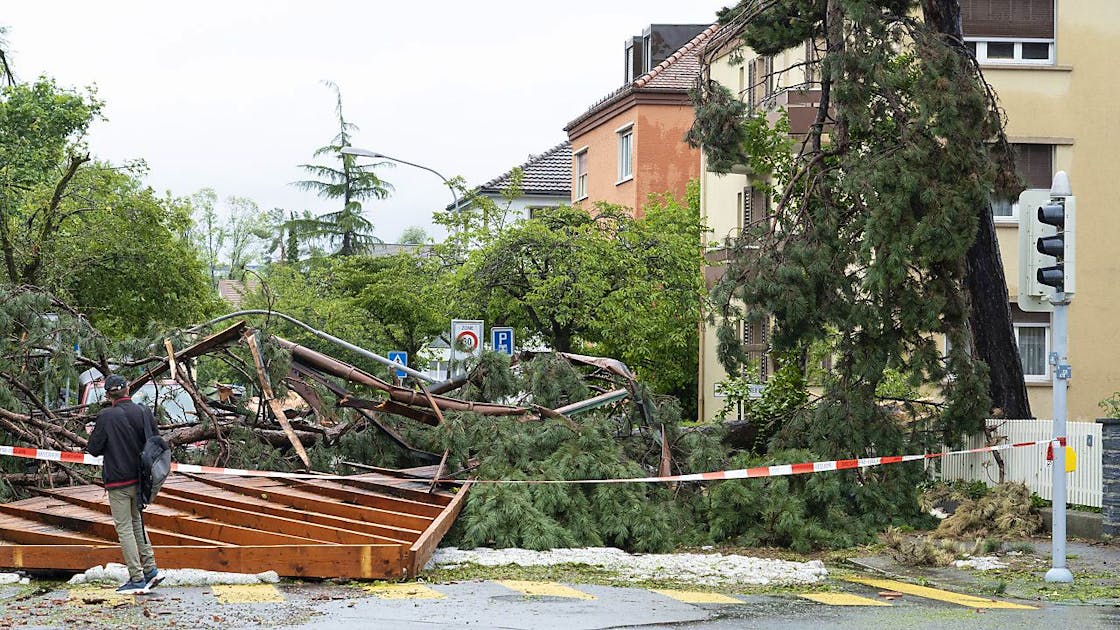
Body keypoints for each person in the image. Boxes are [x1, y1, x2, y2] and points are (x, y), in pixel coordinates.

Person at [86, 374, 162, 594]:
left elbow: (93, 448)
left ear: (108, 394)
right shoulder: (143, 412)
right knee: (137, 523)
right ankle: (151, 570)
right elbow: (155, 442)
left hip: (118, 481)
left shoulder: (106, 416)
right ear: (128, 389)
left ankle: (136, 578)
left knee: (125, 529)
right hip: (140, 480)